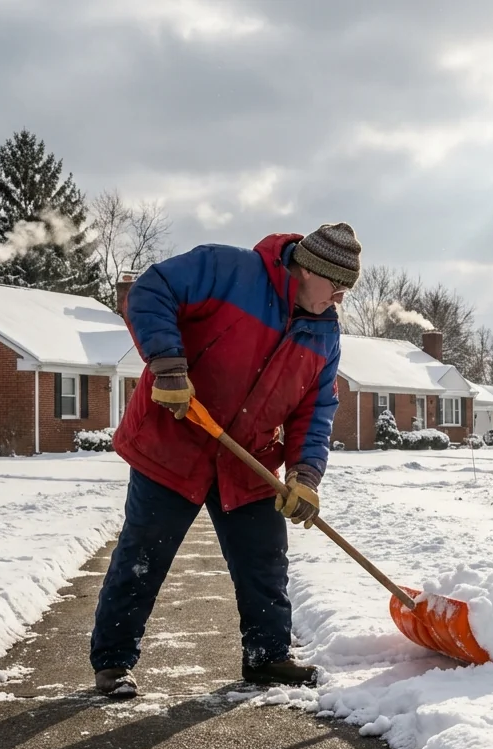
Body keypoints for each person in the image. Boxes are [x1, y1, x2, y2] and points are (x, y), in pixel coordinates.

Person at [88, 223, 361, 698]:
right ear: (307, 269)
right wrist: (168, 366)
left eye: (345, 292)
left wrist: (305, 474)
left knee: (264, 560)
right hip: (174, 439)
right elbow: (150, 290)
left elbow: (316, 410)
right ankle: (113, 662)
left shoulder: (324, 335)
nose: (339, 299)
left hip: (247, 459)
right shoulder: (230, 270)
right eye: (335, 287)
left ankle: (267, 657)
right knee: (144, 555)